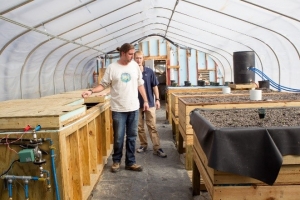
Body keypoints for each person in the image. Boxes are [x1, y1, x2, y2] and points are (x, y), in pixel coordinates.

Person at [82, 43, 149, 173]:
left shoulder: (135, 66)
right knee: (118, 137)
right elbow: (103, 85)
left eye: (133, 54)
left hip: (134, 108)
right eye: (130, 54)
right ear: (123, 53)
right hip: (118, 109)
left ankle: (131, 162)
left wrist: (145, 100)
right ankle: (116, 161)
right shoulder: (112, 68)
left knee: (132, 136)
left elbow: (140, 84)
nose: (132, 57)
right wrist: (91, 91)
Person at [134, 51, 167, 158]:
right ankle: (143, 145)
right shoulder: (132, 72)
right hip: (136, 104)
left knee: (152, 126)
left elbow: (155, 86)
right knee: (139, 127)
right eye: (136, 58)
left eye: (140, 58)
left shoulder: (149, 72)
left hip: (150, 103)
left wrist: (157, 99)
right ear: (134, 59)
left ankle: (157, 147)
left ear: (143, 59)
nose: (138, 60)